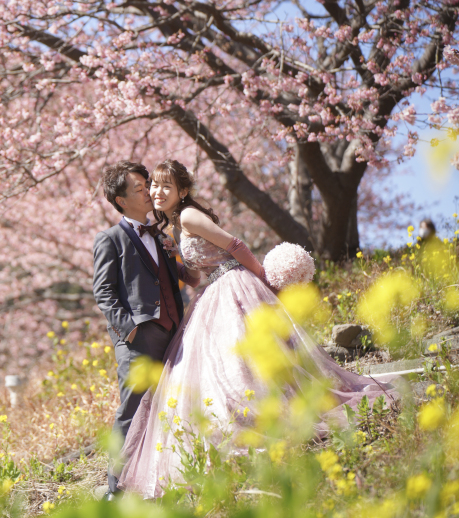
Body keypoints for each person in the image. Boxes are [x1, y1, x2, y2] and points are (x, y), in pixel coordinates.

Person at [116, 159, 403, 499]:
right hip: (213, 292)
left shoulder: (190, 216)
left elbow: (235, 247)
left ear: (184, 191)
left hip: (235, 288)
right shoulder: (177, 226)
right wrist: (176, 263)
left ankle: (266, 418)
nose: (156, 192)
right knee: (226, 363)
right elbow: (198, 278)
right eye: (154, 186)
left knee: (244, 358)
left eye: (166, 186)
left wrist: (265, 280)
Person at [92, 160, 199, 500]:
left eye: (147, 185)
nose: (149, 192)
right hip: (138, 339)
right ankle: (114, 486)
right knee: (132, 407)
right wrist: (130, 330)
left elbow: (175, 279)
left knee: (170, 404)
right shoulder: (110, 239)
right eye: (139, 189)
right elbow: (104, 293)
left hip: (173, 332)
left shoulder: (161, 235)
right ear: (121, 200)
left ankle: (160, 475)